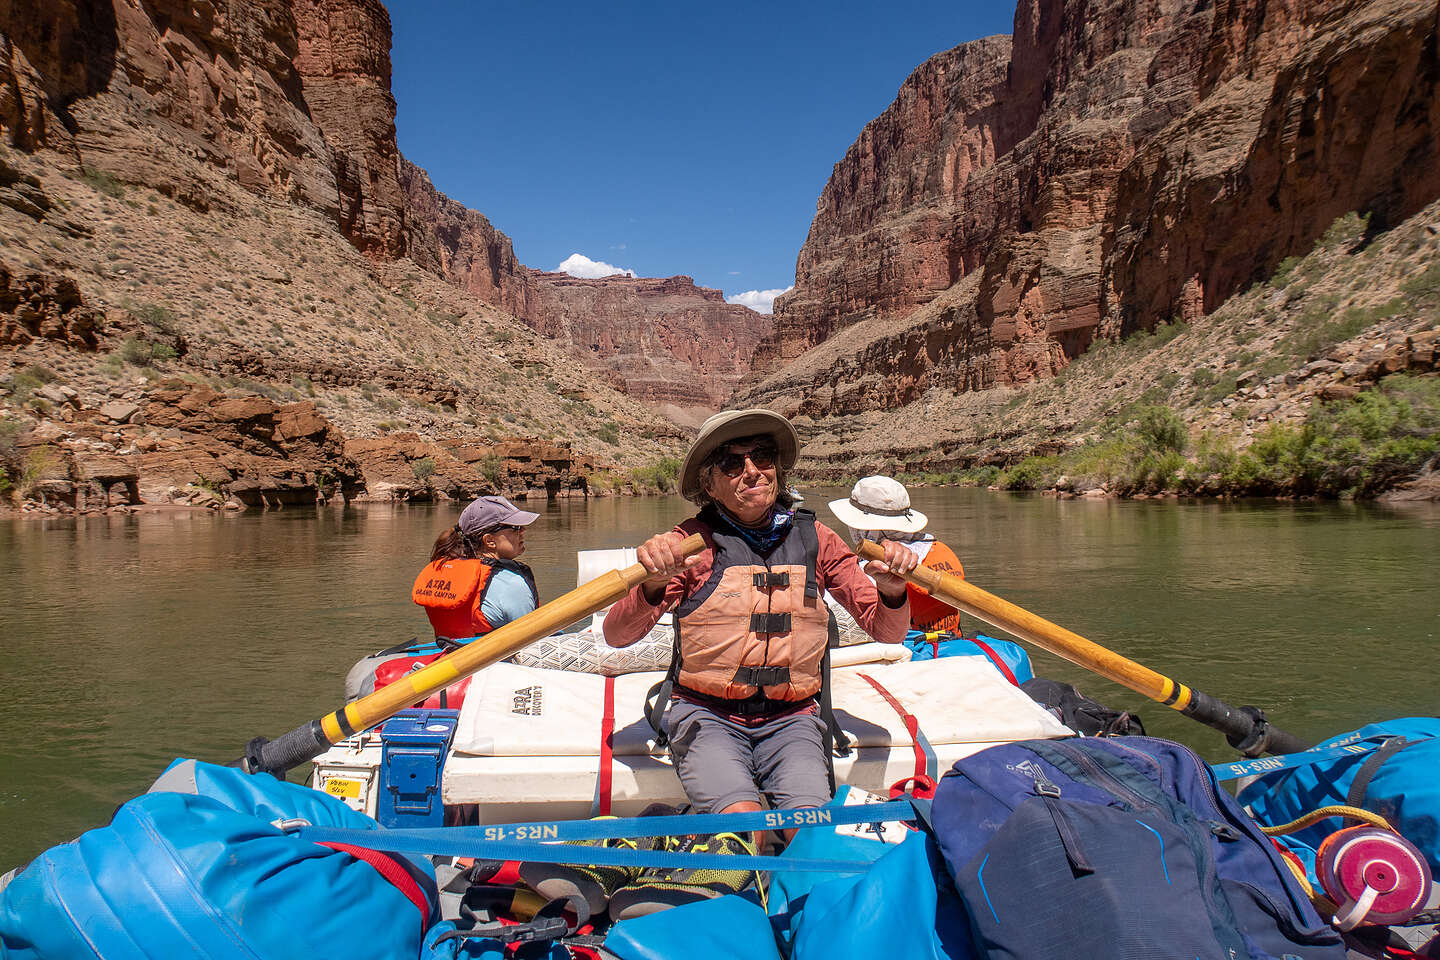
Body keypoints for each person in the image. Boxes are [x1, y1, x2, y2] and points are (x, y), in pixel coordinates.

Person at [604, 409, 919, 821]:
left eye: (763, 458)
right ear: (710, 485)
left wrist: (893, 590)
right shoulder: (687, 546)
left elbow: (887, 631)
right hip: (707, 715)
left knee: (808, 828)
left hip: (792, 718)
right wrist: (652, 583)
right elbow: (616, 636)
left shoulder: (817, 539)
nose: (752, 472)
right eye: (732, 465)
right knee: (744, 821)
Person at [828, 475, 965, 635]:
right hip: (951, 640)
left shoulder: (873, 569)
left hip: (908, 648)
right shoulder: (939, 548)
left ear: (862, 528)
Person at [412, 495, 540, 640]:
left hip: (450, 655)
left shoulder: (443, 570)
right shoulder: (512, 584)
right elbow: (533, 643)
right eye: (515, 527)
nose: (523, 530)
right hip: (496, 661)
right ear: (489, 541)